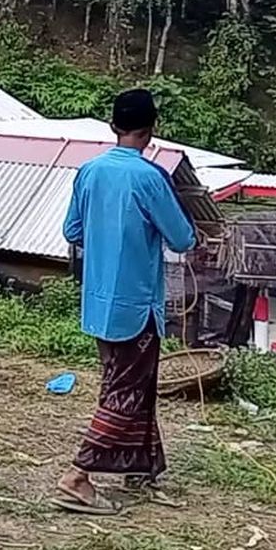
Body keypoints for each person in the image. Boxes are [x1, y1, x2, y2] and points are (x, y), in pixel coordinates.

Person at [54, 88, 197, 516]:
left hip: (99, 304)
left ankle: (142, 465)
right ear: (151, 130)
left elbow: (72, 231)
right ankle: (77, 478)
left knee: (135, 384)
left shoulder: (90, 171)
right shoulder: (150, 177)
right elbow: (182, 237)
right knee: (124, 392)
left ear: (113, 126)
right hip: (136, 305)